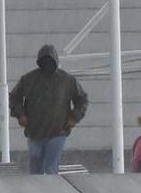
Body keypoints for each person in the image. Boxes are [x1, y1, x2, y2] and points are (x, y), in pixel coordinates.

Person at [8, 44, 88, 174]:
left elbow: (82, 99)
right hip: (35, 132)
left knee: (50, 168)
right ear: (40, 62)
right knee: (36, 169)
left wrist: (74, 117)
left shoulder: (67, 80)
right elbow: (14, 97)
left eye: (50, 61)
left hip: (58, 131)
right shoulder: (28, 79)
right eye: (44, 61)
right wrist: (20, 114)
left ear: (55, 61)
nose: (47, 64)